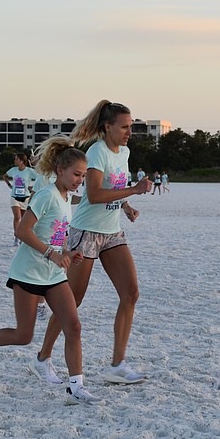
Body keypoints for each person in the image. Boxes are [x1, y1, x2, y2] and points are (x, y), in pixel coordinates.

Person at [0, 137, 101, 405]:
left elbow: (55, 237)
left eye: (83, 176)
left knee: (74, 325)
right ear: (60, 170)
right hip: (27, 273)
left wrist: (67, 253)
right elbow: (22, 231)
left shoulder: (65, 198)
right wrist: (52, 254)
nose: (80, 181)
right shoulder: (46, 195)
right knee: (23, 335)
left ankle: (76, 388)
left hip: (53, 274)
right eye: (76, 174)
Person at [34, 100, 153, 386]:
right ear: (107, 127)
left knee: (131, 293)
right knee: (72, 301)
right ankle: (42, 358)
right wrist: (134, 190)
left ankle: (117, 365)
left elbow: (114, 188)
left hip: (112, 232)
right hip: (86, 231)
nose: (129, 132)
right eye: (124, 127)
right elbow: (96, 194)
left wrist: (126, 206)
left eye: (131, 127)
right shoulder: (97, 152)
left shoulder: (124, 152)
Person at [3, 152, 37, 246]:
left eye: (16, 159)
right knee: (17, 217)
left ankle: (23, 237)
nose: (15, 160)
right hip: (14, 196)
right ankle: (17, 236)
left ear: (22, 161)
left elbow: (39, 179)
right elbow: (5, 176)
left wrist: (32, 187)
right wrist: (9, 185)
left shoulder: (29, 171)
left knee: (23, 219)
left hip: (25, 197)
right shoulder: (13, 170)